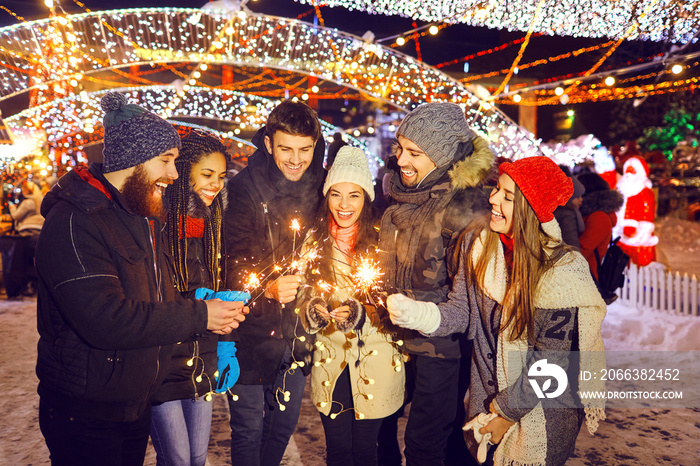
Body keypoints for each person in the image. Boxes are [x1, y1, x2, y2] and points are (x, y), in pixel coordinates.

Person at [35, 92, 247, 466]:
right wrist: (200, 314)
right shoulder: (75, 221)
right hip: (85, 413)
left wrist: (215, 312)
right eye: (165, 161)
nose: (174, 175)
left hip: (132, 404)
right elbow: (105, 319)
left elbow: (157, 301)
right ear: (131, 160)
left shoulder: (141, 216)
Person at [387, 156, 607, 466]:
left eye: (507, 196)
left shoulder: (562, 270)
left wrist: (505, 414)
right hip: (484, 410)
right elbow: (463, 310)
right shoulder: (479, 245)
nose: (493, 199)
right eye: (496, 190)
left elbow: (552, 363)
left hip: (542, 419)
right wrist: (422, 315)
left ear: (532, 210)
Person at [377, 102, 493, 466]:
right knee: (380, 425)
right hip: (394, 337)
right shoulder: (400, 196)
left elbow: (472, 295)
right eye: (400, 148)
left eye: (415, 152)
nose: (401, 160)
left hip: (442, 348)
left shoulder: (464, 206)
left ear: (442, 157)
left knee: (426, 440)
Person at [223, 99, 325, 466]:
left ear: (316, 144)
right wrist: (266, 288)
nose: (296, 160)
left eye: (305, 149)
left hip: (298, 332)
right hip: (249, 330)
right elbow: (231, 260)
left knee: (283, 425)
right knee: (248, 427)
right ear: (268, 144)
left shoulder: (323, 187)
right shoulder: (244, 189)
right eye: (286, 149)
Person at [297, 146, 405, 465]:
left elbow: (398, 301)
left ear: (366, 197)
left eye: (354, 195)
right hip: (331, 360)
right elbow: (302, 292)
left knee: (364, 450)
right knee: (339, 451)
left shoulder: (385, 239)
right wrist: (312, 308)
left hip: (376, 360)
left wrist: (362, 315)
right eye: (336, 194)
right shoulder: (314, 240)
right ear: (326, 195)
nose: (344, 205)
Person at [149, 129, 233, 466]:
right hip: (163, 364)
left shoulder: (212, 222)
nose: (216, 184)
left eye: (222, 176)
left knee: (197, 458)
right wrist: (195, 302)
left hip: (202, 358)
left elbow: (219, 287)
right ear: (184, 174)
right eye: (208, 175)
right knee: (178, 459)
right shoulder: (159, 224)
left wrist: (227, 333)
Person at [577, 172, 624, 283]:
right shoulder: (590, 214)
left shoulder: (599, 217)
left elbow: (582, 250)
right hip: (578, 276)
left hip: (584, 280)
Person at [553, 165, 585, 249]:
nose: (581, 200)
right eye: (577, 197)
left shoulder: (558, 211)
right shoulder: (567, 214)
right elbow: (572, 244)